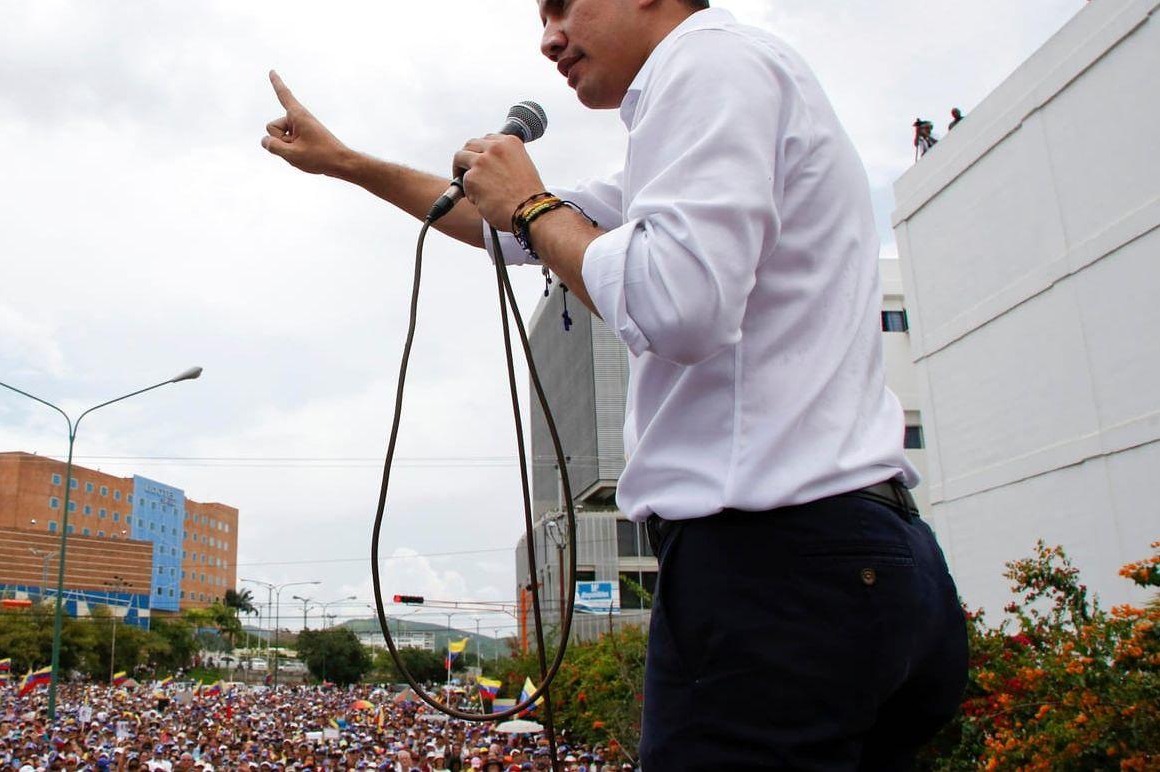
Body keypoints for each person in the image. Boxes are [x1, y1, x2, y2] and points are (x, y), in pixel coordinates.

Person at [261, 0, 967, 768]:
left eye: (563, 4)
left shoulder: (705, 66)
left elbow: (675, 308)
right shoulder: (717, 95)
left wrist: (528, 203)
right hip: (860, 561)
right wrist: (349, 164)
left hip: (778, 568)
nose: (548, 37)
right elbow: (503, 227)